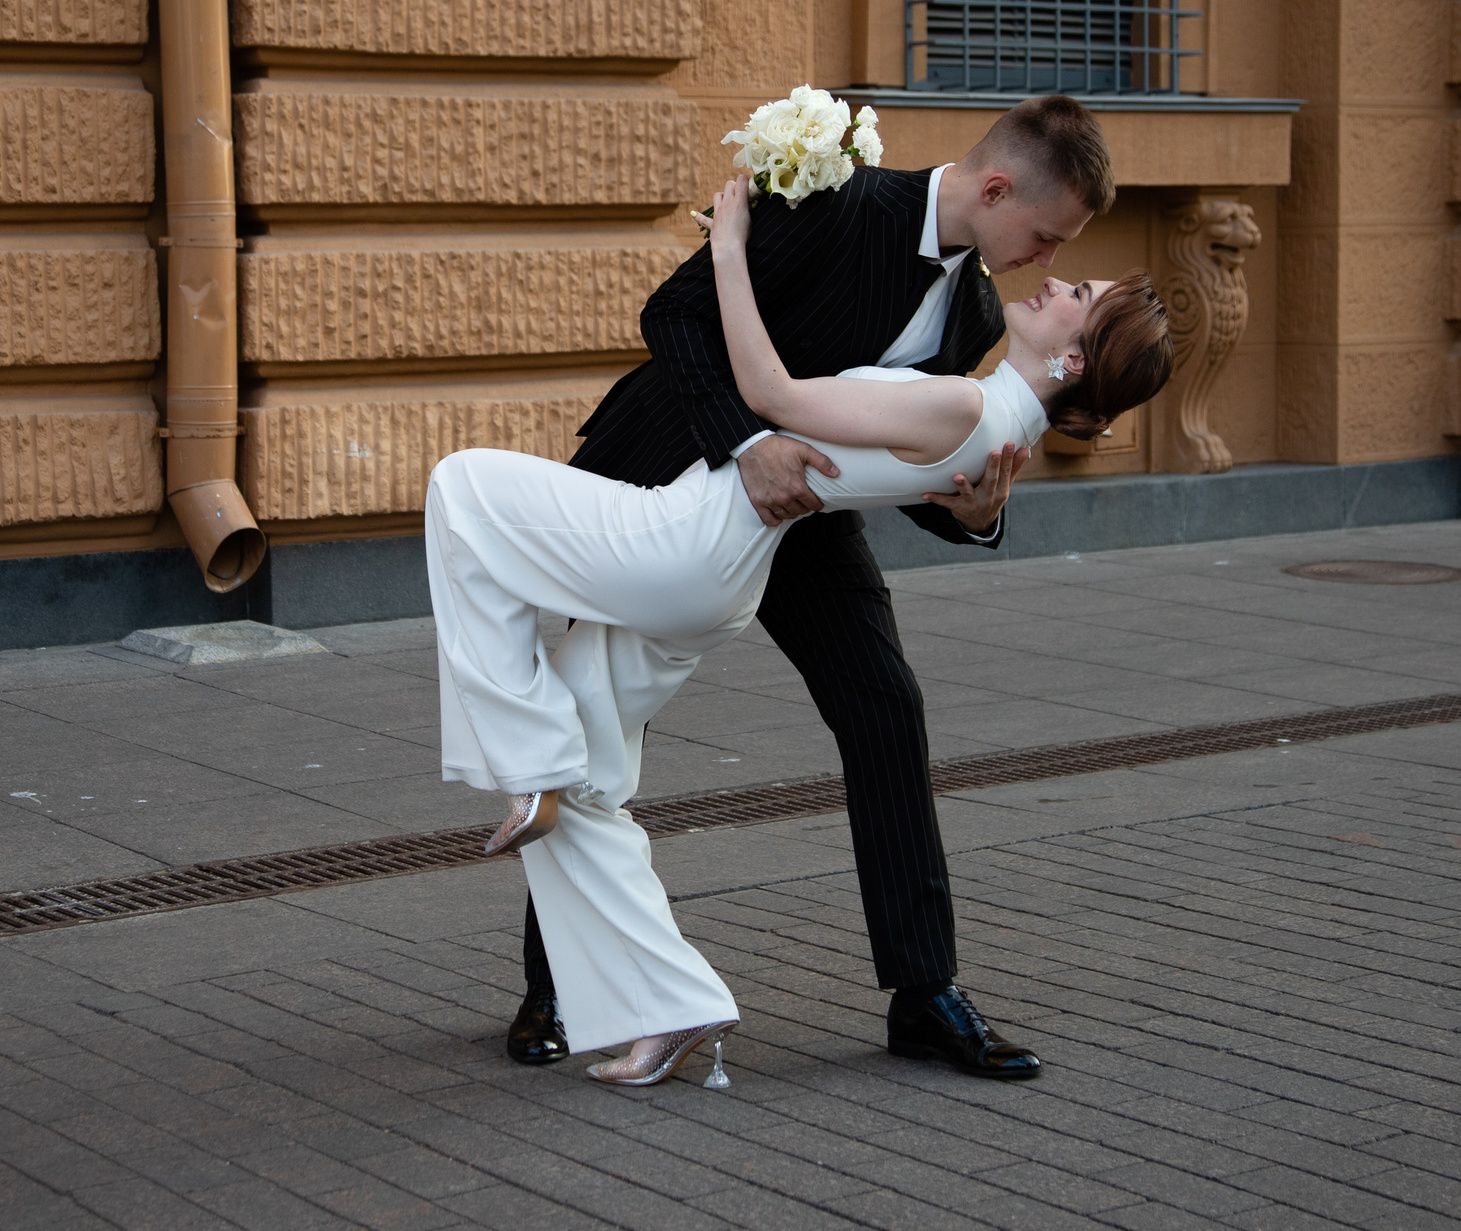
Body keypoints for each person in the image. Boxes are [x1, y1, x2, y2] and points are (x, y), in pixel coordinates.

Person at [428, 95, 1176, 1084]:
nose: (1042, 261)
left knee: (885, 704)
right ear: (997, 190)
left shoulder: (982, 313)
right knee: (594, 720)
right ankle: (559, 989)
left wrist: (970, 514)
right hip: (684, 471)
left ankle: (925, 994)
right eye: (1043, 235)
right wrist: (744, 447)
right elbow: (675, 314)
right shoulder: (837, 196)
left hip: (805, 522)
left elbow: (910, 459)